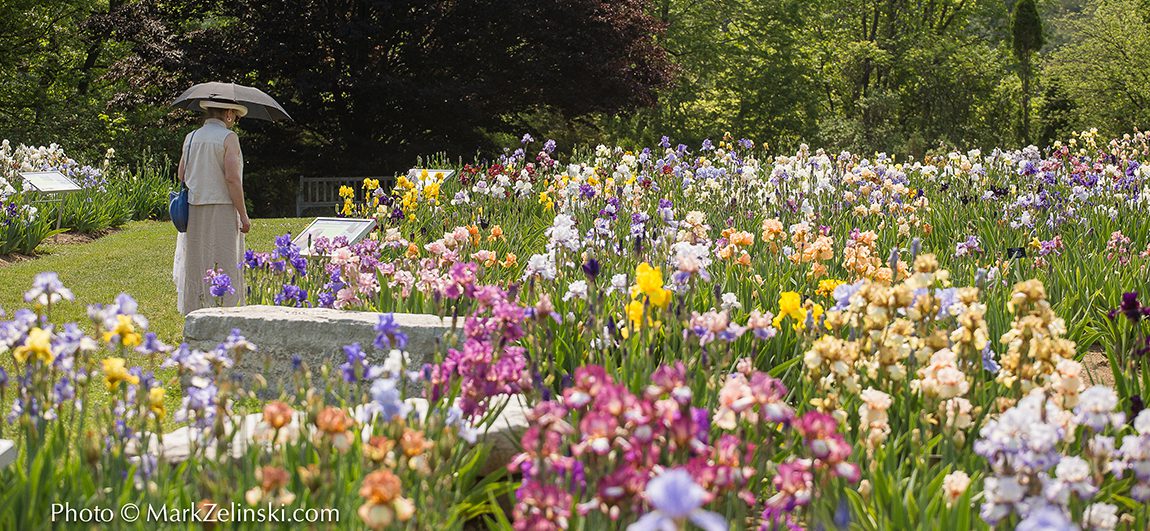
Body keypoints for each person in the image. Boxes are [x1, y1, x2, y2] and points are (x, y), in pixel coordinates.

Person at [173, 100, 251, 314]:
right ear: (227, 113)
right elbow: (233, 179)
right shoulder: (229, 138)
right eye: (235, 115)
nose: (235, 120)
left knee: (197, 262)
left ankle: (196, 308)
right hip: (222, 206)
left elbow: (181, 174)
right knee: (225, 258)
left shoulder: (191, 137)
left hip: (194, 206)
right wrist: (243, 215)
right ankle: (226, 309)